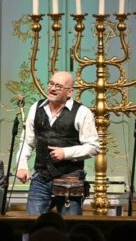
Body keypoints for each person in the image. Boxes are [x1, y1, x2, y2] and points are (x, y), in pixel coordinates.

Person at [15, 71, 99, 215]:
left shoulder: (82, 112)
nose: (52, 88)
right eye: (51, 84)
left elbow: (94, 147)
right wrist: (22, 166)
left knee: (70, 226)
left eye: (58, 86)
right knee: (32, 224)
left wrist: (66, 153)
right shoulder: (36, 108)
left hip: (69, 180)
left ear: (69, 92)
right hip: (41, 178)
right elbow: (27, 142)